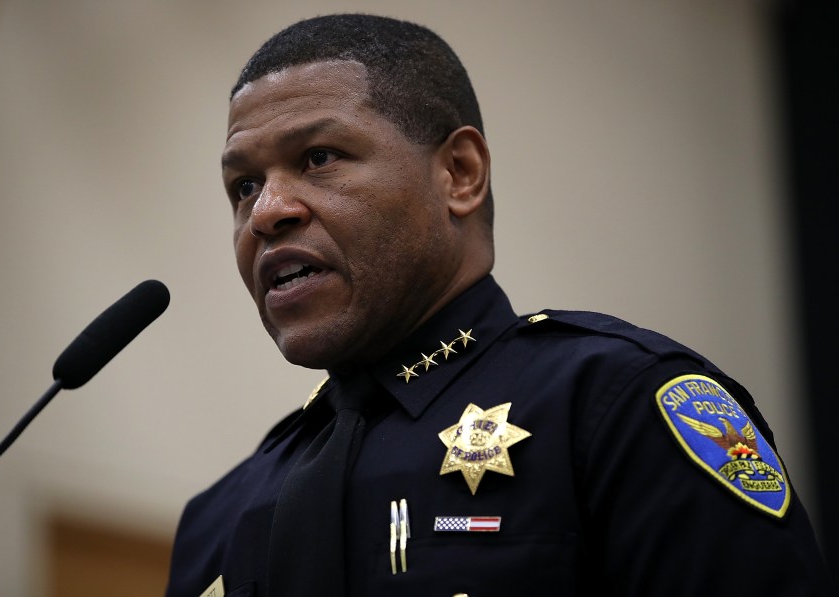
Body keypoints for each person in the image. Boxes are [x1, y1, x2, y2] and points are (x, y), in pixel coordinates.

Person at [166, 13, 834, 597]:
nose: (267, 213)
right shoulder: (219, 517)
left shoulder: (618, 408)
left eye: (318, 157)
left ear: (459, 173)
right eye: (243, 185)